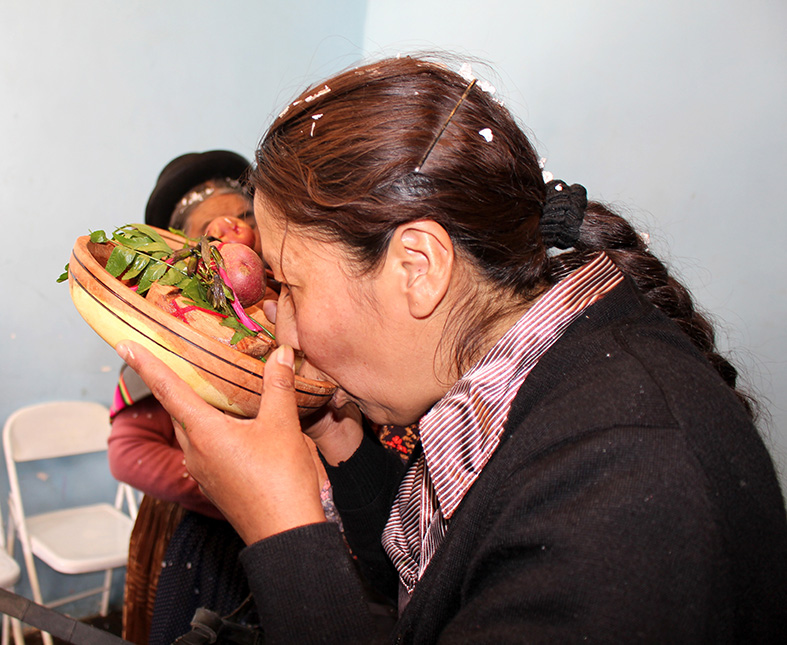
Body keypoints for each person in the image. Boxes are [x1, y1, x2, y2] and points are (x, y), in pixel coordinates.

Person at [117, 55, 787, 643]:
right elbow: (430, 592)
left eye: (288, 284)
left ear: (417, 265)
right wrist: (335, 434)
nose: (284, 332)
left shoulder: (627, 481)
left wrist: (281, 531)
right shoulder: (518, 385)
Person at [107, 150, 262, 644]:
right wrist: (229, 489)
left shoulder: (282, 316)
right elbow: (127, 452)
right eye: (210, 230)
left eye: (244, 215)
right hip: (201, 539)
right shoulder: (169, 338)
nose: (233, 230)